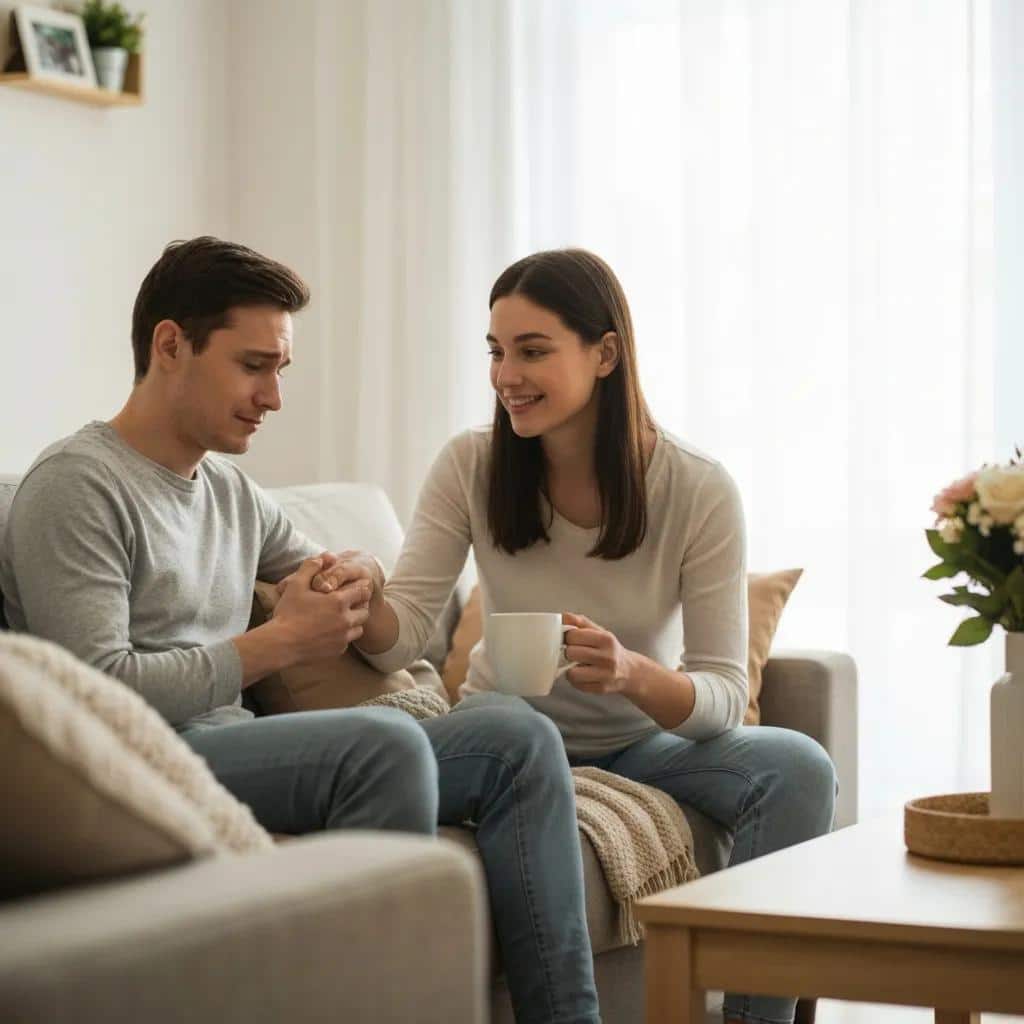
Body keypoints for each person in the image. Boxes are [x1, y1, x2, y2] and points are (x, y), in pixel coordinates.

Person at [0, 237, 599, 1024]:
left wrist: (359, 574)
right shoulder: (77, 486)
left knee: (515, 737)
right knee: (377, 747)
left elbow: (338, 572)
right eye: (254, 365)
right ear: (170, 346)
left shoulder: (229, 489)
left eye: (280, 369)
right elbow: (97, 694)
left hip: (242, 748)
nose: (274, 396)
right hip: (150, 759)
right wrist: (278, 645)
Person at [323, 248, 837, 1024]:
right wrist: (365, 594)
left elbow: (725, 694)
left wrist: (633, 675)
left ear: (605, 353)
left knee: (796, 766)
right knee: (512, 723)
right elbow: (401, 642)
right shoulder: (471, 463)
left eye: (532, 351)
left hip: (640, 745)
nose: (506, 376)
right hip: (503, 733)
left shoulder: (696, 488)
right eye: (496, 352)